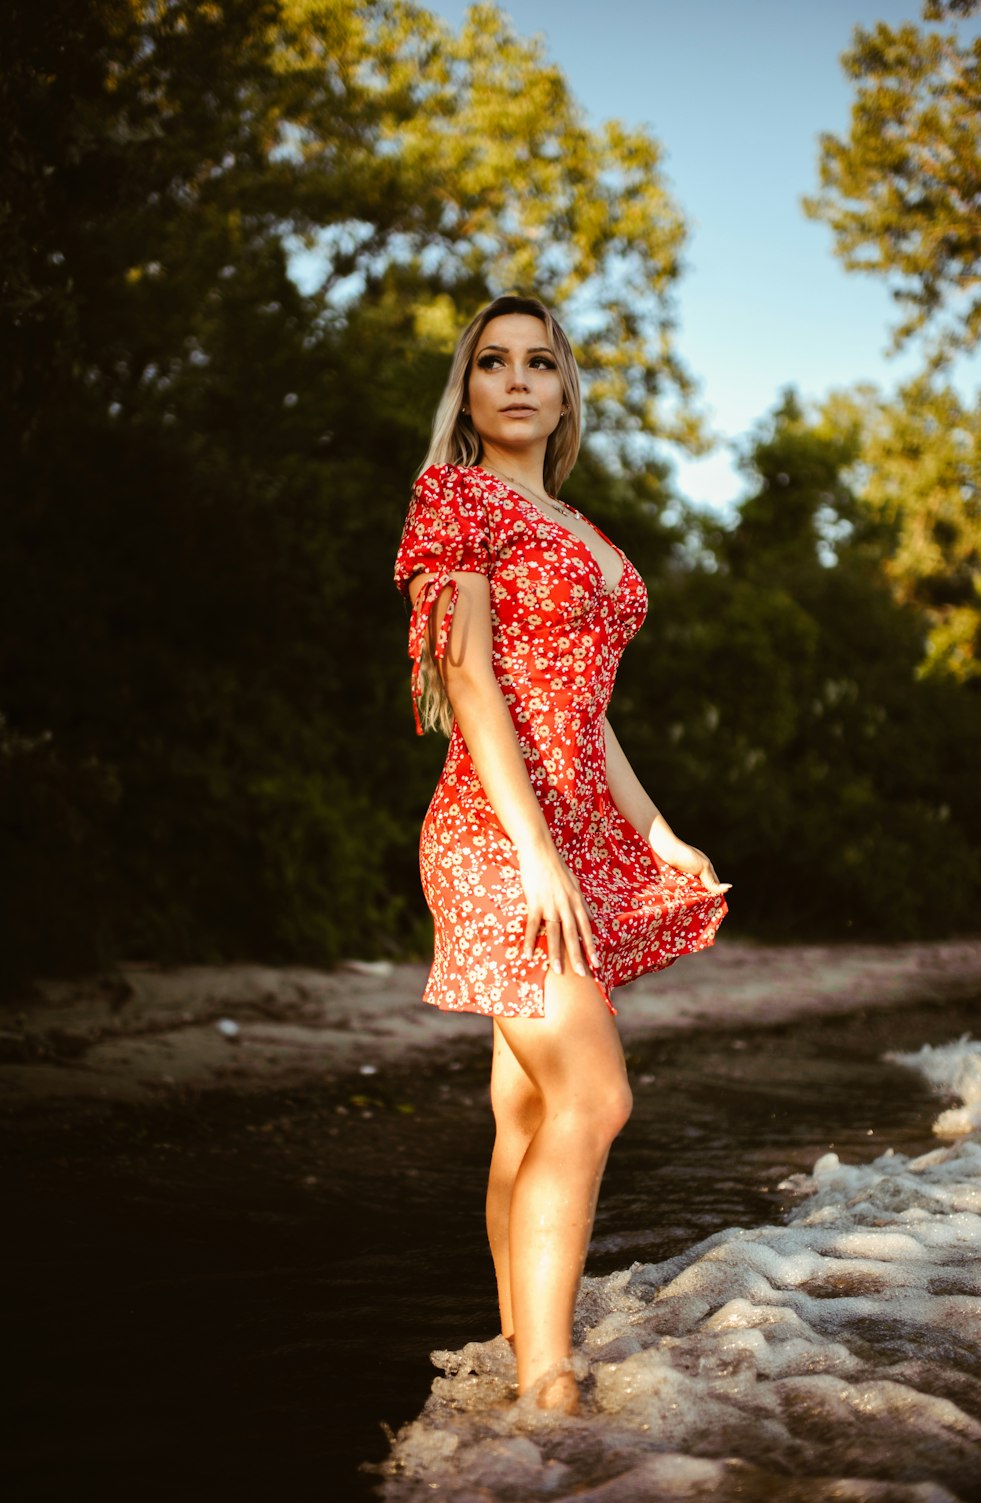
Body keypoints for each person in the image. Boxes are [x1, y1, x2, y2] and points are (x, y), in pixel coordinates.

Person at [394, 293, 729, 1413]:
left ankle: (511, 1349)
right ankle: (549, 1389)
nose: (518, 379)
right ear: (469, 391)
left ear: (566, 388)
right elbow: (473, 682)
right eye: (492, 363)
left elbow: (590, 712)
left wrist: (655, 833)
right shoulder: (458, 497)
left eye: (541, 361)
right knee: (594, 1098)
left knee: (529, 1114)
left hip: (579, 828)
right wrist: (536, 853)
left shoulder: (585, 528)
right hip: (498, 830)